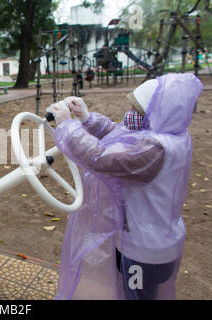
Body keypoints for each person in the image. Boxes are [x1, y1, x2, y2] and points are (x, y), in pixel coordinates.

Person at [46, 73, 203, 299]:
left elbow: (100, 157)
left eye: (137, 111)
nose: (129, 114)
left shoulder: (154, 149)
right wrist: (87, 118)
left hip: (143, 252)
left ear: (159, 115)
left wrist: (67, 126)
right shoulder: (171, 134)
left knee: (138, 296)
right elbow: (122, 136)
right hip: (155, 242)